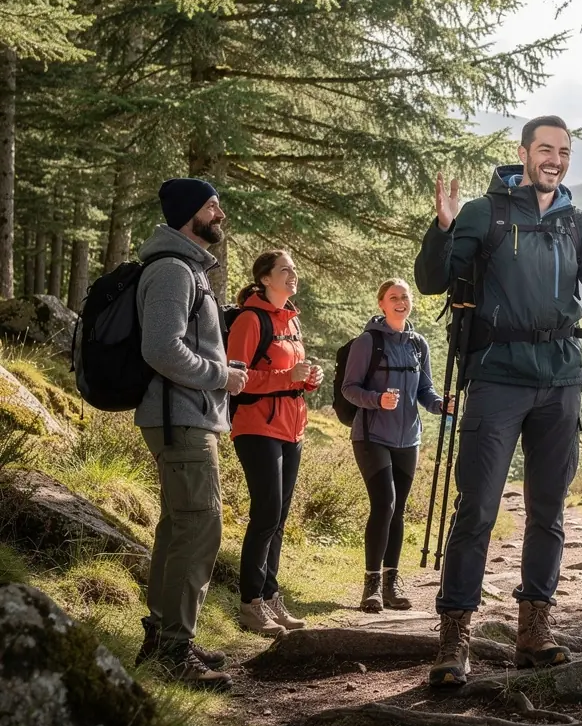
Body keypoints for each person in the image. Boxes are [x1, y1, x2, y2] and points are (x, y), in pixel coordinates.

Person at [414, 115, 582, 687]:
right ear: (524, 152)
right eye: (545, 149)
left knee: (548, 511)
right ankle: (454, 636)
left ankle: (534, 630)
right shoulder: (485, 212)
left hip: (560, 379)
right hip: (496, 377)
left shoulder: (576, 223)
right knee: (478, 508)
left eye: (563, 151)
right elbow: (433, 281)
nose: (554, 159)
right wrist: (441, 229)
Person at [133, 177, 247, 690]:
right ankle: (173, 652)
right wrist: (222, 376)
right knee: (200, 528)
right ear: (188, 215)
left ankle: (165, 637)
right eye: (211, 206)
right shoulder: (174, 271)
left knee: (179, 527)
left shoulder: (184, 268)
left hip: (186, 415)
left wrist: (222, 370)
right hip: (180, 419)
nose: (220, 214)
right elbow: (161, 349)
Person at [227, 250, 323, 636]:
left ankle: (270, 596)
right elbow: (237, 378)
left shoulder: (292, 322)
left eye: (294, 270)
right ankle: (250, 603)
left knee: (279, 518)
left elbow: (290, 376)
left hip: (291, 429)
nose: (292, 274)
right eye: (285, 270)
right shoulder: (250, 320)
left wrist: (308, 377)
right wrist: (287, 377)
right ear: (265, 278)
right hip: (256, 428)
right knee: (266, 513)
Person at [341, 278, 450, 613]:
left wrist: (441, 405)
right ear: (382, 304)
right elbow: (349, 388)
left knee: (397, 509)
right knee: (384, 504)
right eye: (393, 297)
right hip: (372, 437)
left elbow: (425, 390)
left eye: (405, 297)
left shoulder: (418, 344)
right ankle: (371, 587)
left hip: (409, 439)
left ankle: (391, 583)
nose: (401, 302)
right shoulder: (367, 342)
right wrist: (377, 399)